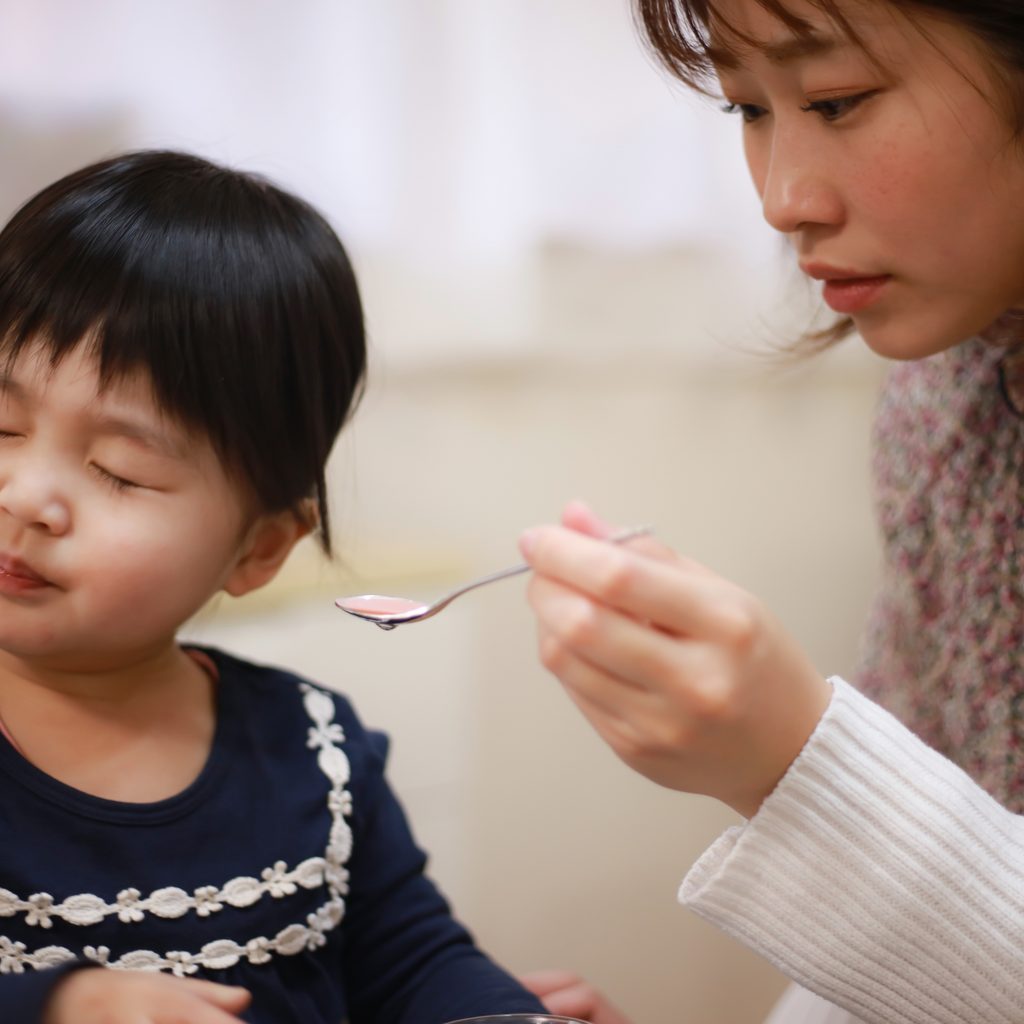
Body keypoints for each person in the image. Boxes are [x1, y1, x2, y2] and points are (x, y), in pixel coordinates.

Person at [518, 1, 1024, 1022]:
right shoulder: (942, 397)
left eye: (837, 100)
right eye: (747, 109)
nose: (782, 200)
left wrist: (793, 758)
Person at [0, 150, 545, 1024]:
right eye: (1, 424)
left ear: (258, 548)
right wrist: (58, 1003)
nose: (26, 496)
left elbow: (414, 960)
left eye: (119, 470)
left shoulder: (316, 752)